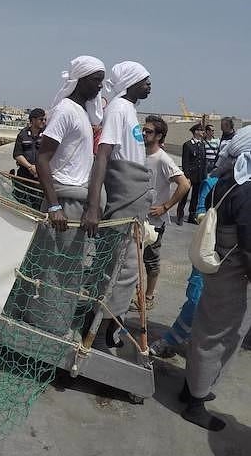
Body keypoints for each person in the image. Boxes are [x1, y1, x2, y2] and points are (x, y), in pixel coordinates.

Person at [21, 56, 105, 334]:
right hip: (64, 201)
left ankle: (54, 321)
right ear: (80, 80)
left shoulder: (82, 113)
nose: (100, 86)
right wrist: (54, 206)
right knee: (55, 268)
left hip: (76, 200)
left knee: (69, 270)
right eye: (95, 80)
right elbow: (43, 159)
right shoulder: (65, 110)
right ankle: (48, 325)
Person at [181, 125, 251, 431]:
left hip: (220, 264)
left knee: (207, 326)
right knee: (221, 335)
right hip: (235, 270)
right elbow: (248, 242)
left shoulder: (225, 179)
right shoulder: (247, 189)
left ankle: (192, 386)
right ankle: (195, 403)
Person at [85, 61, 153, 339]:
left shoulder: (129, 110)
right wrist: (93, 204)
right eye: (145, 81)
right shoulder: (118, 109)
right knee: (117, 266)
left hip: (135, 191)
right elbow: (103, 154)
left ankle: (111, 319)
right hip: (124, 195)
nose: (149, 86)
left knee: (127, 265)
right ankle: (100, 326)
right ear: (131, 82)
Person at [139, 114, 190, 308]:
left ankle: (149, 296)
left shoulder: (163, 159)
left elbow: (184, 185)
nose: (144, 133)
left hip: (153, 221)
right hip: (136, 216)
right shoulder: (139, 153)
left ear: (159, 136)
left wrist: (165, 207)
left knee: (151, 260)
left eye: (149, 131)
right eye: (143, 130)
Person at [12, 108, 47, 209]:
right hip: (24, 175)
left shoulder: (47, 135)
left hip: (40, 178)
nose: (44, 122)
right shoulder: (22, 135)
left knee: (37, 206)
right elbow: (17, 154)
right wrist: (30, 167)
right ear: (33, 120)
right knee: (20, 203)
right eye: (41, 119)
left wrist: (39, 168)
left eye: (45, 119)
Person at [178, 123, 207, 225]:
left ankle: (191, 216)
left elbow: (204, 161)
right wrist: (187, 176)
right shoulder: (188, 145)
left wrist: (204, 176)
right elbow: (185, 162)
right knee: (184, 196)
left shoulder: (202, 144)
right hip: (190, 176)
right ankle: (180, 215)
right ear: (195, 131)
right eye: (200, 130)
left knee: (195, 197)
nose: (202, 132)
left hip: (199, 176)